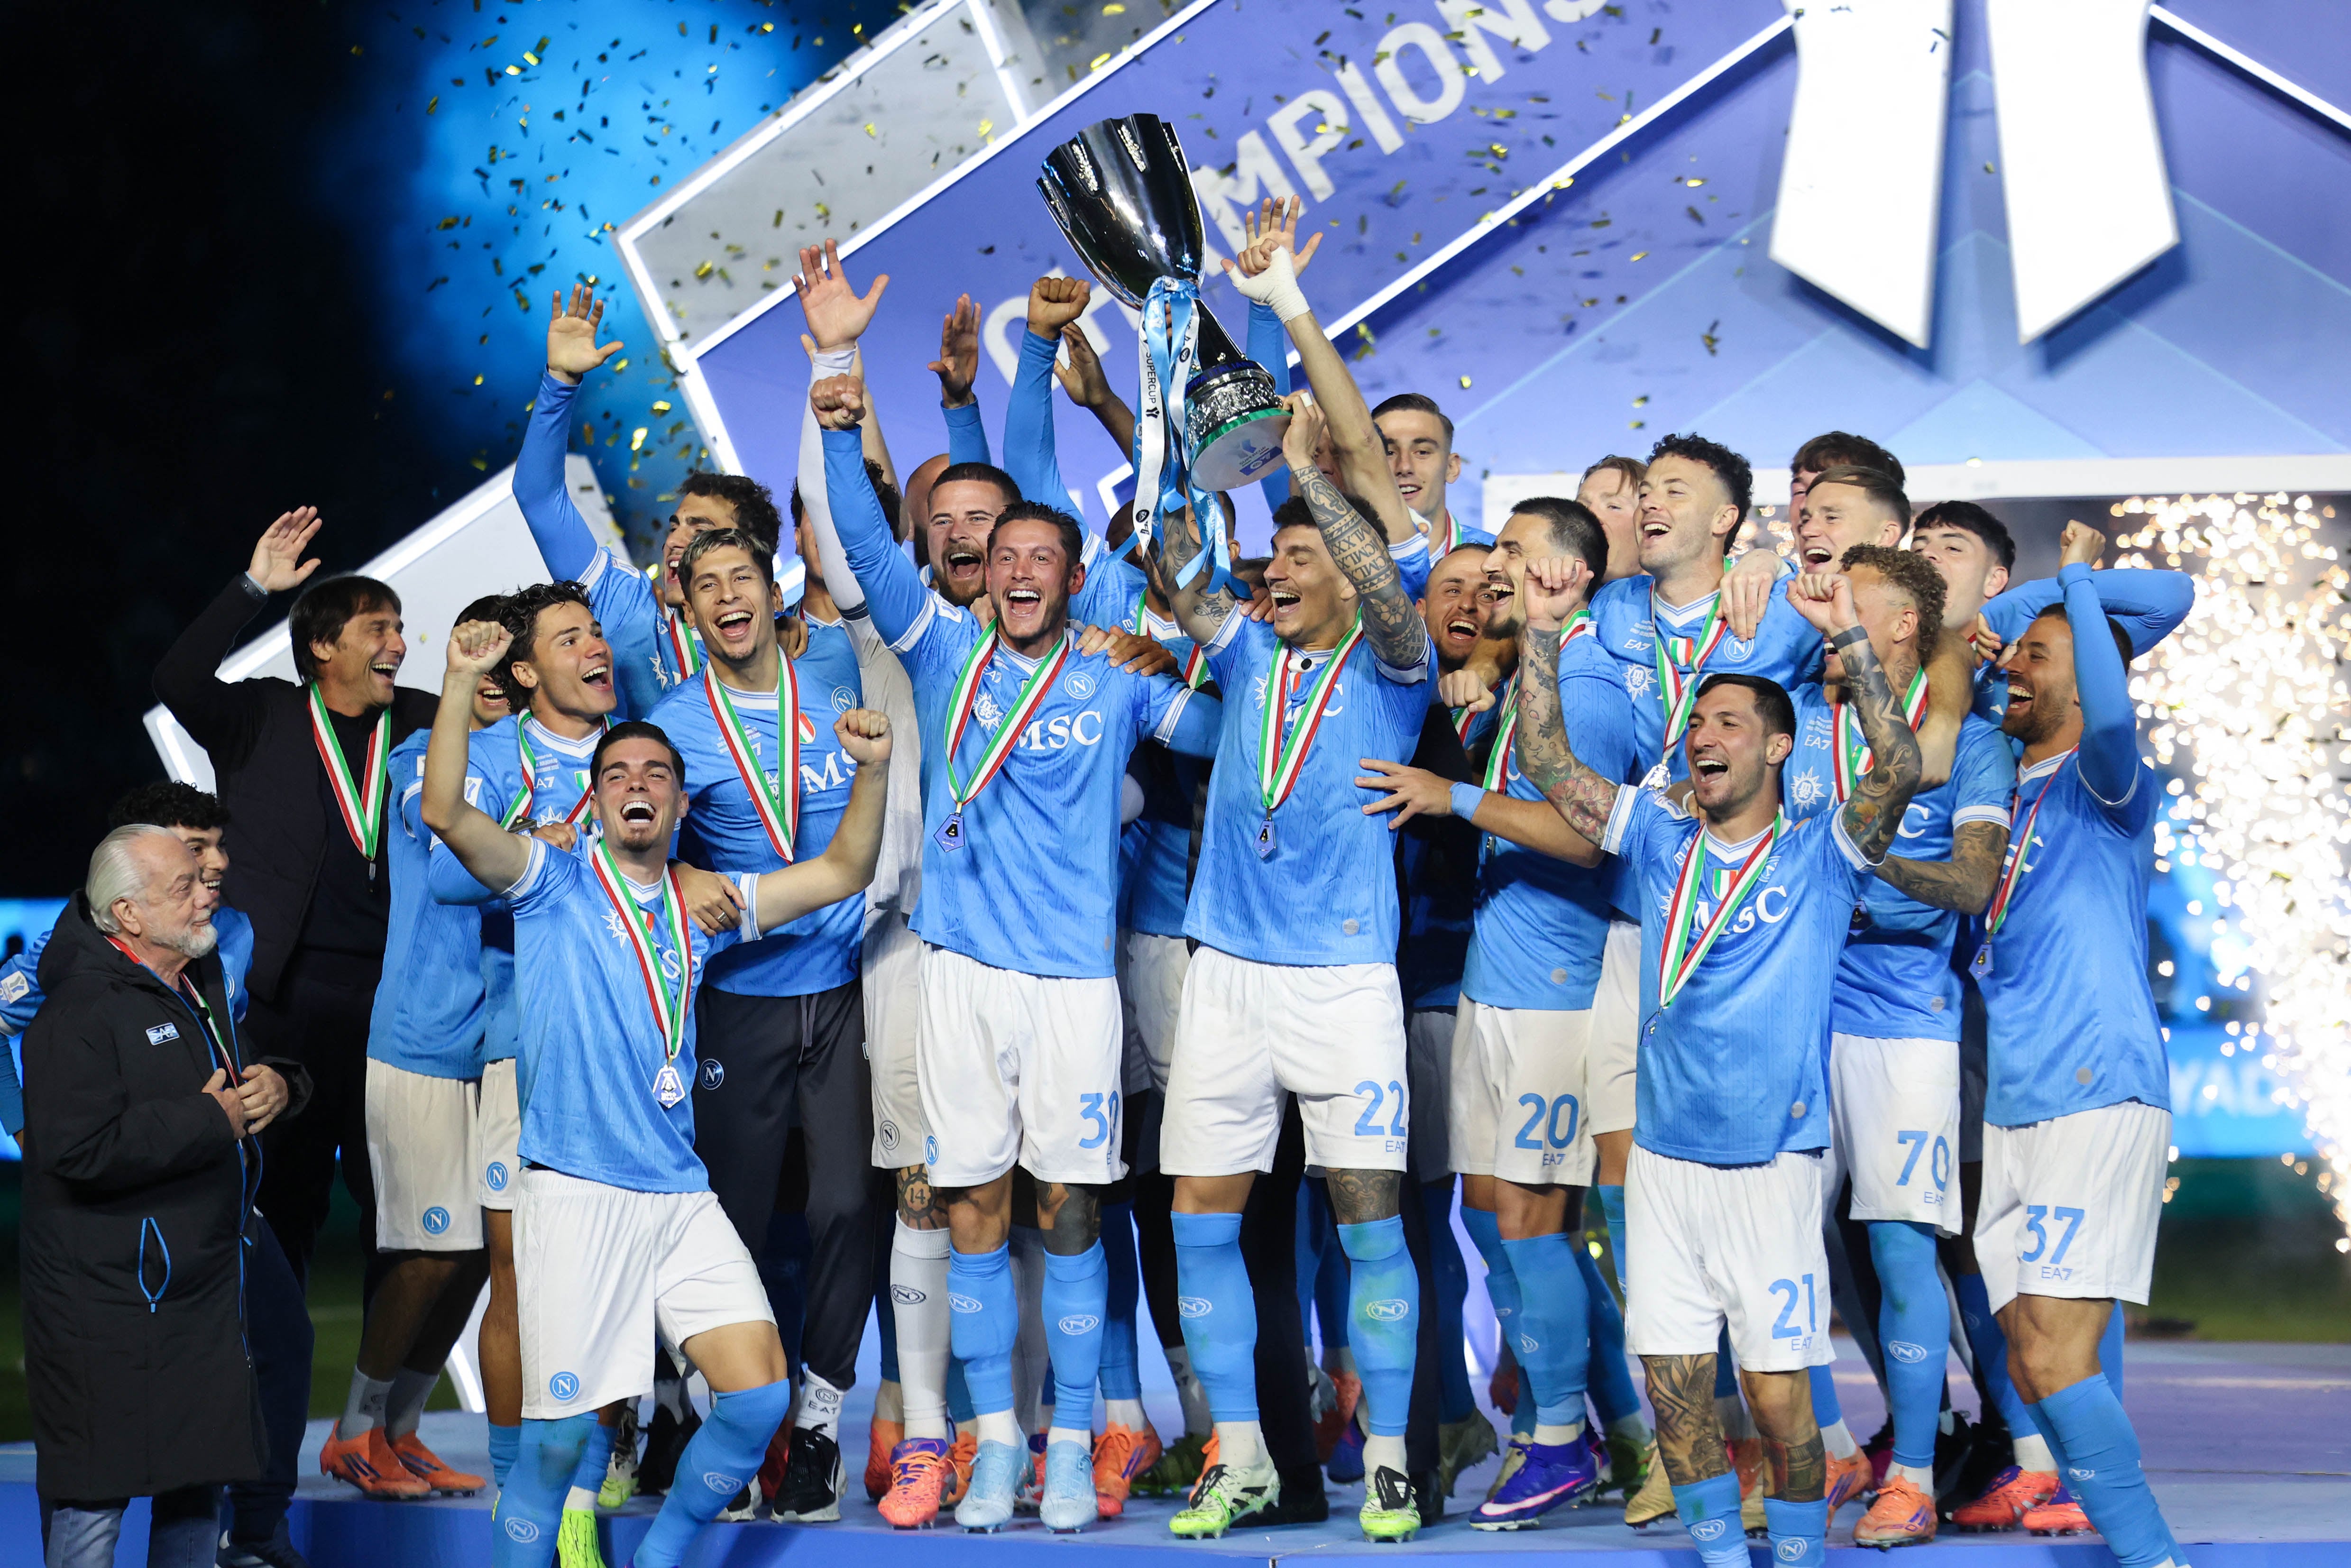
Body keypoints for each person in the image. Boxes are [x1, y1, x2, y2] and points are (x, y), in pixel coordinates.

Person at [812, 366, 1223, 1533]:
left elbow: (1225, 729)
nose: (1021, 572)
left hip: (1075, 986)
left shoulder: (1112, 673)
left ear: (1073, 579)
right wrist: (838, 413)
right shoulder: (943, 653)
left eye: (1044, 557)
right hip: (958, 975)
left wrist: (1182, 650)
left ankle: (1073, 1442)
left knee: (1074, 1214)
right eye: (1005, 558)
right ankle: (995, 1447)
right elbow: (863, 545)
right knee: (973, 1210)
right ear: (983, 574)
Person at [419, 618, 890, 1568]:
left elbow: (843, 869)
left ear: (678, 800)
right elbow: (446, 816)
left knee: (756, 1398)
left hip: (677, 1196)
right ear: (596, 800)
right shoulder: (549, 881)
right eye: (618, 774)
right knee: (558, 1444)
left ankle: (659, 1559)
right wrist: (460, 684)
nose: (637, 784)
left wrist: (872, 771)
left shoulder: (704, 901)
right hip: (575, 1193)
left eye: (657, 774)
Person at [1514, 551, 1927, 1568]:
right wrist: (1540, 631)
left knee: (1780, 1396)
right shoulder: (1660, 839)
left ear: (1778, 747)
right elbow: (1548, 763)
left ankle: (1796, 1557)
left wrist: (1846, 636)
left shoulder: (1821, 852)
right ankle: (1718, 1559)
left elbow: (1898, 767)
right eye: (1697, 721)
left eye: (1729, 722)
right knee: (1675, 1389)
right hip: (1662, 1164)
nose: (1703, 734)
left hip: (1771, 1164)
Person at [1154, 227, 1438, 1539]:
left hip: (1342, 980)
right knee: (1198, 1220)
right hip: (1225, 974)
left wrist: (1312, 471)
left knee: (1367, 1222)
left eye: (1298, 559)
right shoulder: (1249, 657)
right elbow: (1174, 562)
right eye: (1271, 560)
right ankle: (1242, 1454)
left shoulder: (1392, 666)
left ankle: (1387, 1457)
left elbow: (1381, 573)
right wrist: (1161, 394)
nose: (1276, 572)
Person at [1362, 499, 1650, 1528]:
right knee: (1496, 1214)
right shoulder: (1530, 670)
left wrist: (1453, 797)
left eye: (1515, 556)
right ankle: (1584, 1428)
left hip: (1556, 993)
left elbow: (1588, 834)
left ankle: (1561, 1438)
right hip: (1497, 982)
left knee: (1533, 1224)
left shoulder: (1591, 682)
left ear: (1569, 572)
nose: (1495, 573)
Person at [1956, 523, 2189, 1568]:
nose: (2015, 666)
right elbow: (1975, 651)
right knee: (2026, 1357)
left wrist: (2078, 583)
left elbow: (2161, 609)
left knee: (2055, 1352)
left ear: (2087, 683)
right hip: (2018, 1103)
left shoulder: (2106, 782)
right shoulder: (1998, 794)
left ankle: (2151, 1558)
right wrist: (2015, 628)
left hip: (2096, 1088)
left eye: (2038, 657)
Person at [1776, 544, 2016, 1541]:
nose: (1827, 614)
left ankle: (1911, 1478)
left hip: (1905, 1027)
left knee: (1900, 1247)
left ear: (1904, 624)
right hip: (1791, 1021)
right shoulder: (1794, 722)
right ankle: (1827, 1450)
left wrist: (1850, 876)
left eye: (1850, 604)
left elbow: (1968, 884)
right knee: (1777, 1243)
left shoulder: (1972, 744)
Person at [645, 523, 876, 1523]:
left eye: (742, 576)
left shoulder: (835, 684)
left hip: (845, 988)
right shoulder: (673, 724)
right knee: (727, 1226)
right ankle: (731, 1433)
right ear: (688, 607)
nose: (728, 597)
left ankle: (818, 1431)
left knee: (845, 1209)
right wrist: (683, 870)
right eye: (707, 585)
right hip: (738, 998)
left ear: (771, 589)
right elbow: (633, 844)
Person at [153, 509, 434, 1292]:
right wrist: (252, 586)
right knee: (281, 1206)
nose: (399, 642)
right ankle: (264, 1365)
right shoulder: (261, 715)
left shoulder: (423, 717)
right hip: (284, 1005)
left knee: (406, 1217)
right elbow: (176, 679)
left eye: (400, 627)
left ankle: (386, 1379)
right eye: (379, 628)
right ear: (323, 646)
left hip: (397, 1004)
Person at [22, 826, 306, 1568]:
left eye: (203, 879)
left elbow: (236, 1084)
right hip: (111, 1310)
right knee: (94, 1503)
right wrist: (210, 1120)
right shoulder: (78, 1008)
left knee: (195, 1490)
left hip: (196, 1300)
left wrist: (282, 1084)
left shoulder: (195, 986)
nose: (207, 892)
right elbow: (76, 1149)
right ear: (128, 913)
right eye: (184, 885)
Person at [316, 595, 510, 1507]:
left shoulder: (551, 760)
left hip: (499, 1042)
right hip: (424, 1038)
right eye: (483, 663)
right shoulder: (421, 758)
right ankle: (353, 1431)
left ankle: (399, 1428)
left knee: (474, 1255)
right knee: (427, 1251)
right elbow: (447, 847)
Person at [519, 285, 791, 717]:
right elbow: (539, 497)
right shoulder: (625, 605)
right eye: (675, 526)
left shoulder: (788, 637)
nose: (675, 541)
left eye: (700, 530)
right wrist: (560, 382)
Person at [1374, 393, 1489, 554]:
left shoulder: (1495, 557)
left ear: (1451, 468)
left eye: (1422, 452)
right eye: (1388, 453)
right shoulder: (1338, 561)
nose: (1404, 467)